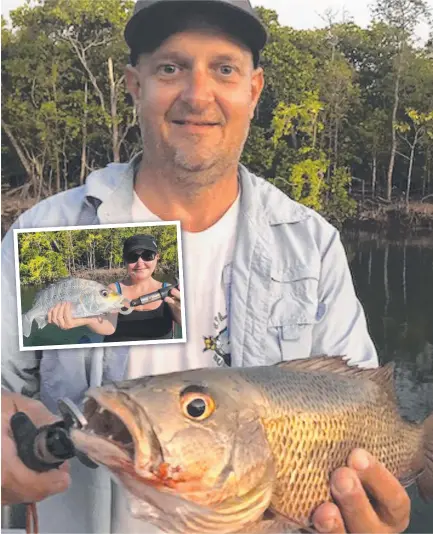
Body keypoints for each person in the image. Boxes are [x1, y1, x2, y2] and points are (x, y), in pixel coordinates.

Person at [0, 0, 411, 532]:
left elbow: (362, 409)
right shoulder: (50, 235)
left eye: (224, 69)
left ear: (253, 89)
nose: (197, 95)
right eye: (170, 68)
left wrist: (374, 506)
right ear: (134, 83)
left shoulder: (310, 242)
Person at [46, 234, 182, 342]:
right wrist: (81, 320)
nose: (140, 263)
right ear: (125, 261)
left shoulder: (171, 292)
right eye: (133, 257)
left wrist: (184, 312)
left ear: (157, 257)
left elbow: (187, 325)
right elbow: (109, 327)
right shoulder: (113, 290)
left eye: (148, 256)